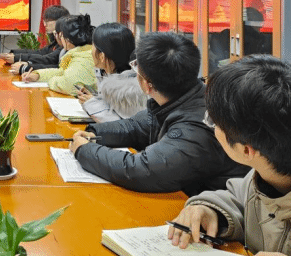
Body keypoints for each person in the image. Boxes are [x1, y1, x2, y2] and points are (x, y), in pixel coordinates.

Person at [168, 56, 291, 256]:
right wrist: (209, 209)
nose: (211, 127)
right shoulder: (285, 153)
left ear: (247, 151)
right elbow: (246, 198)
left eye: (213, 123)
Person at [70, 32, 249, 196]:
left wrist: (84, 150)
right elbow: (135, 126)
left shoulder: (195, 128)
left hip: (204, 210)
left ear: (147, 84)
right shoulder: (182, 96)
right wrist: (95, 134)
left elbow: (140, 170)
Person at [77, 23, 147, 123]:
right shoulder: (115, 78)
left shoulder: (128, 91)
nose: (90, 51)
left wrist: (91, 104)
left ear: (102, 56)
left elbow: (121, 125)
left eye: (93, 45)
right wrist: (94, 99)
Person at [20, 14, 96, 95]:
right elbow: (62, 72)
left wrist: (51, 81)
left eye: (61, 35)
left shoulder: (83, 58)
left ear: (68, 39)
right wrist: (38, 75)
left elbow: (68, 86)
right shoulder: (81, 53)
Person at [1, 5, 70, 72]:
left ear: (59, 21)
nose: (44, 25)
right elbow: (41, 52)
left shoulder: (67, 43)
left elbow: (49, 60)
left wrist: (23, 64)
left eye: (47, 21)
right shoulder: (56, 41)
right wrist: (14, 54)